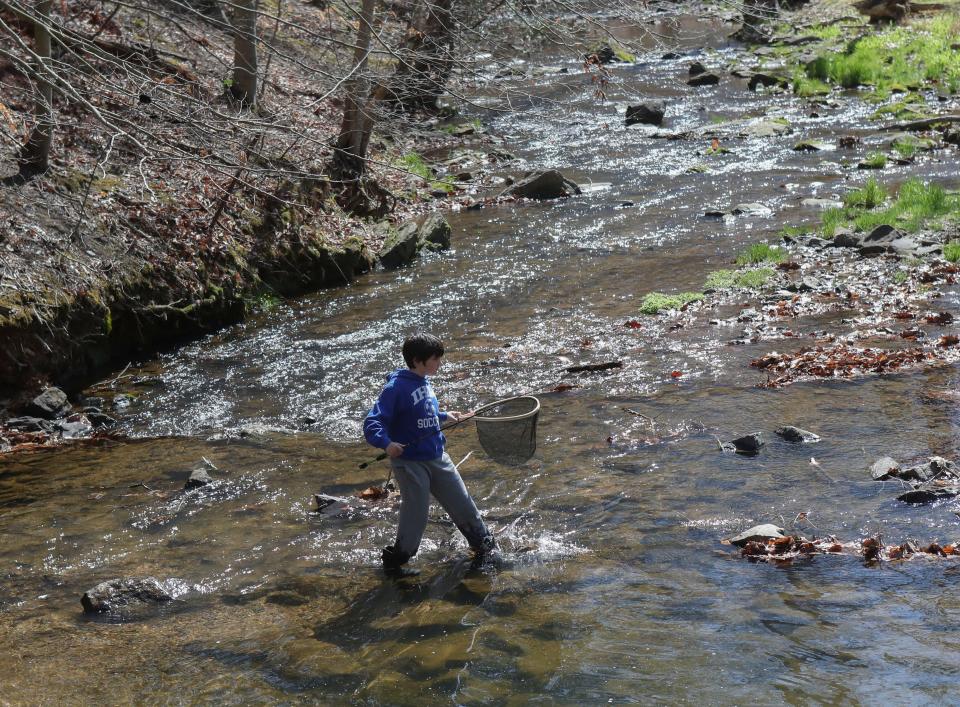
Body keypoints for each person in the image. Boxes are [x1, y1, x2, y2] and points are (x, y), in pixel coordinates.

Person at [363, 333, 495, 577]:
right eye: (436, 359)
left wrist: (445, 415)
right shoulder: (395, 388)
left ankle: (485, 547)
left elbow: (422, 412)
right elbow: (373, 422)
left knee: (464, 504)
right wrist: (387, 443)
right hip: (409, 463)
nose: (440, 363)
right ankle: (397, 560)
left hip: (437, 457)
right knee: (417, 515)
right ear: (417, 360)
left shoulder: (424, 381)